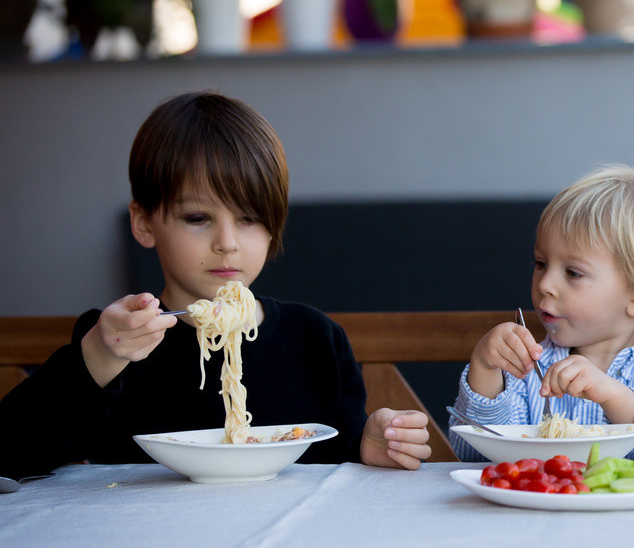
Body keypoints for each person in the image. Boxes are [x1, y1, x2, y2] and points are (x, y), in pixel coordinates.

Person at [0, 91, 432, 478]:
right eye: (197, 219)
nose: (227, 244)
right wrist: (98, 354)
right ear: (144, 223)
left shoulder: (315, 339)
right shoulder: (118, 342)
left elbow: (332, 456)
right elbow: (11, 455)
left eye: (248, 219)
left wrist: (365, 446)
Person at [450, 162, 634, 461]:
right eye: (541, 264)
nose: (545, 284)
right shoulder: (526, 368)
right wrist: (485, 368)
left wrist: (610, 394)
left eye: (573, 272)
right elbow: (473, 455)